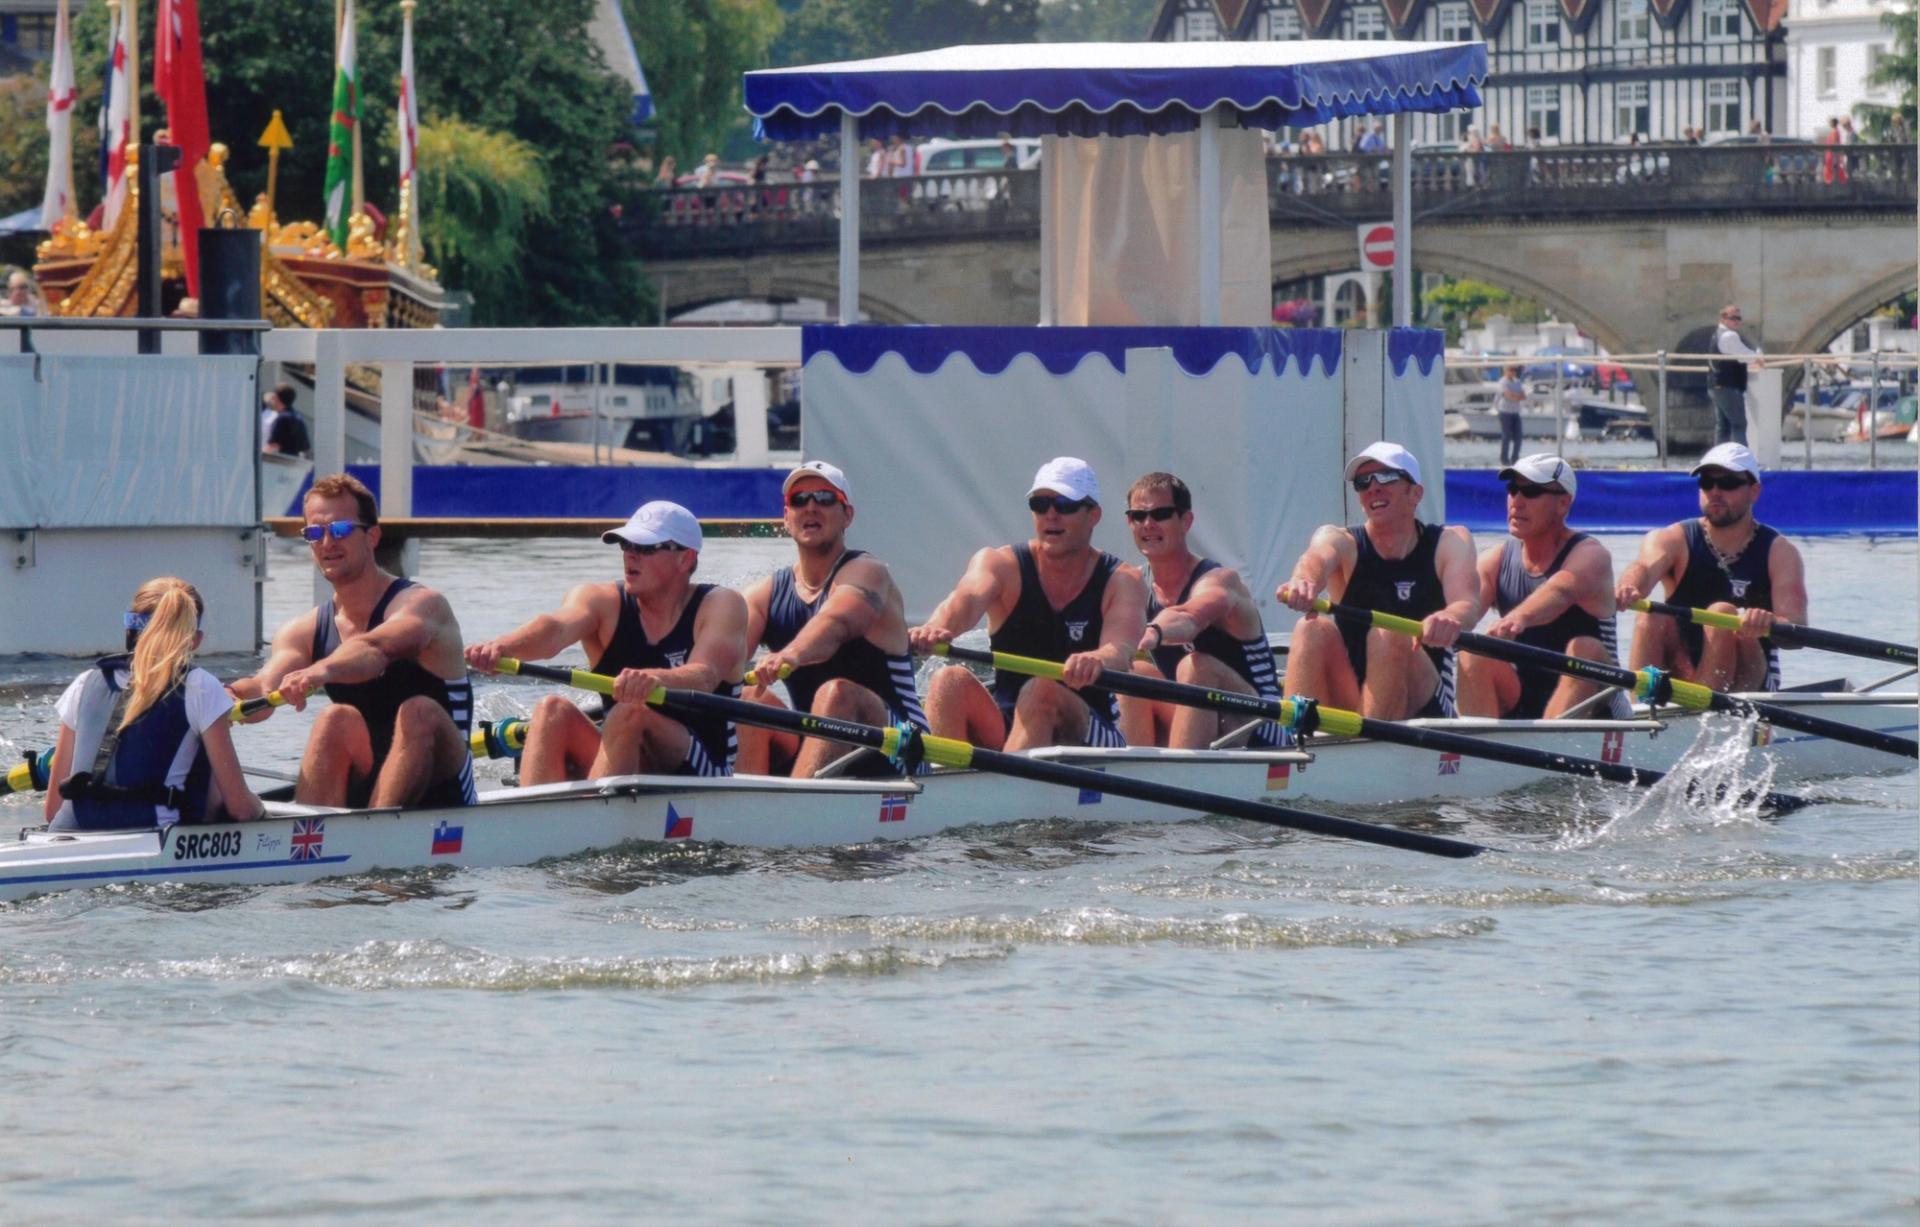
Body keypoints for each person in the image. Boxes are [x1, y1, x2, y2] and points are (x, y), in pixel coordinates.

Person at [233, 473, 477, 808]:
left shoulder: (423, 605)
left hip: (443, 780)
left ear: (372, 536)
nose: (327, 543)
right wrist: (223, 696)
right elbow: (263, 688)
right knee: (333, 719)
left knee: (417, 711)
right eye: (315, 533)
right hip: (367, 772)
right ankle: (314, 841)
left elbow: (375, 650)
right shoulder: (302, 630)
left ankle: (372, 834)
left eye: (341, 530)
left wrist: (319, 673)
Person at [466, 501, 747, 783]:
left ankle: (592, 814)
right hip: (624, 753)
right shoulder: (600, 601)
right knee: (551, 710)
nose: (630, 556)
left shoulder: (721, 605)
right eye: (625, 545)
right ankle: (536, 819)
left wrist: (653, 679)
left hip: (704, 770)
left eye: (645, 548)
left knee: (630, 712)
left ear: (685, 558)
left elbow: (704, 675)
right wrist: (503, 646)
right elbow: (554, 629)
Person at [909, 457, 1147, 751]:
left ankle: (1004, 787)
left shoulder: (1122, 580)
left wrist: (1097, 659)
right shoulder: (1000, 563)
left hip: (1092, 732)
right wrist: (935, 628)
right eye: (1040, 504)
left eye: (1065, 505)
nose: (1051, 515)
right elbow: (966, 599)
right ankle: (947, 789)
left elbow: (1120, 649)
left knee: (1041, 690)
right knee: (949, 681)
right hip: (1014, 724)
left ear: (1093, 515)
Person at [735, 462, 928, 777]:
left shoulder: (868, 573)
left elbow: (835, 624)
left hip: (903, 745)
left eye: (825, 498)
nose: (811, 506)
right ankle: (741, 806)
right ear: (786, 518)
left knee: (835, 694)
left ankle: (791, 808)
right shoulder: (764, 595)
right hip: (823, 744)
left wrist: (790, 654)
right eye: (799, 499)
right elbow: (720, 662)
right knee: (747, 700)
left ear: (847, 516)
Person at [1274, 442, 1478, 720]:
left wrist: (1449, 617)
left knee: (1388, 632)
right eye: (1363, 481)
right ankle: (1295, 746)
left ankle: (1366, 750)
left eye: (1386, 477)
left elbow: (1466, 602)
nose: (1373, 487)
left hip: (1424, 700)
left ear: (1415, 493)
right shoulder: (1339, 540)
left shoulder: (1450, 541)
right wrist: (1302, 582)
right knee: (1311, 628)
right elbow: (1314, 561)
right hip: (1354, 695)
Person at [44, 578, 265, 831]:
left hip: (65, 834)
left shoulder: (85, 683)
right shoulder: (200, 686)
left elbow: (52, 809)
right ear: (195, 640)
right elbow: (241, 809)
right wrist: (262, 811)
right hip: (153, 840)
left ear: (130, 631)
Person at [1614, 443, 1807, 692]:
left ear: (1754, 491)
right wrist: (1629, 587)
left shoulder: (1780, 553)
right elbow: (1644, 567)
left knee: (1723, 613)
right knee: (1652, 614)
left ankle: (1703, 714)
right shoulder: (1672, 539)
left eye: (1727, 483)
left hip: (1749, 682)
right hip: (1683, 667)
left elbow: (1797, 630)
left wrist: (1770, 622)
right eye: (1707, 483)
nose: (1715, 492)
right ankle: (1640, 711)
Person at [1117, 473, 1286, 750]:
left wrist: (1154, 632)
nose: (1148, 524)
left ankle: (1181, 777)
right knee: (1134, 672)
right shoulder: (1133, 585)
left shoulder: (1221, 581)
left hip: (1260, 725)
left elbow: (1188, 617)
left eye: (1160, 514)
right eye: (1138, 516)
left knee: (1196, 666)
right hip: (1197, 718)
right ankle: (1134, 776)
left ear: (1186, 521)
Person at [1456, 456, 1633, 720]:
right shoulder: (1496, 559)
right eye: (1513, 490)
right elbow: (1465, 605)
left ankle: (1542, 742)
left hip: (1597, 706)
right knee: (1473, 652)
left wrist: (1519, 618)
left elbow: (1559, 591)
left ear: (1563, 503)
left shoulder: (1591, 555)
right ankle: (1482, 750)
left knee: (1584, 648)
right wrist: (1445, 620)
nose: (1517, 500)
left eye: (1531, 491)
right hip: (1526, 699)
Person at [1709, 303, 1764, 445]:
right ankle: (1742, 460)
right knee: (1739, 424)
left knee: (1723, 426)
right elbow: (1744, 355)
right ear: (1723, 319)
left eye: (1739, 318)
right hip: (1728, 387)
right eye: (1733, 318)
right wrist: (1758, 358)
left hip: (1716, 385)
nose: (1737, 321)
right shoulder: (1729, 336)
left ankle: (1719, 459)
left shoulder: (1716, 335)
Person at [263, 383, 310, 456]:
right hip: (296, 464)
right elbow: (305, 448)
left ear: (276, 398)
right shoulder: (299, 418)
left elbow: (272, 446)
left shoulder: (282, 419)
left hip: (282, 464)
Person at [1497, 363, 1528, 466]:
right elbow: (1508, 395)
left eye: (1514, 370)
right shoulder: (1502, 382)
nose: (1513, 372)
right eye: (1511, 370)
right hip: (1505, 412)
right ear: (1505, 371)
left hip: (1515, 412)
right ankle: (1504, 459)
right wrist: (1516, 396)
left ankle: (1515, 459)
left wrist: (1515, 395)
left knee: (1518, 437)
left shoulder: (1517, 382)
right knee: (1506, 436)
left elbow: (1523, 396)